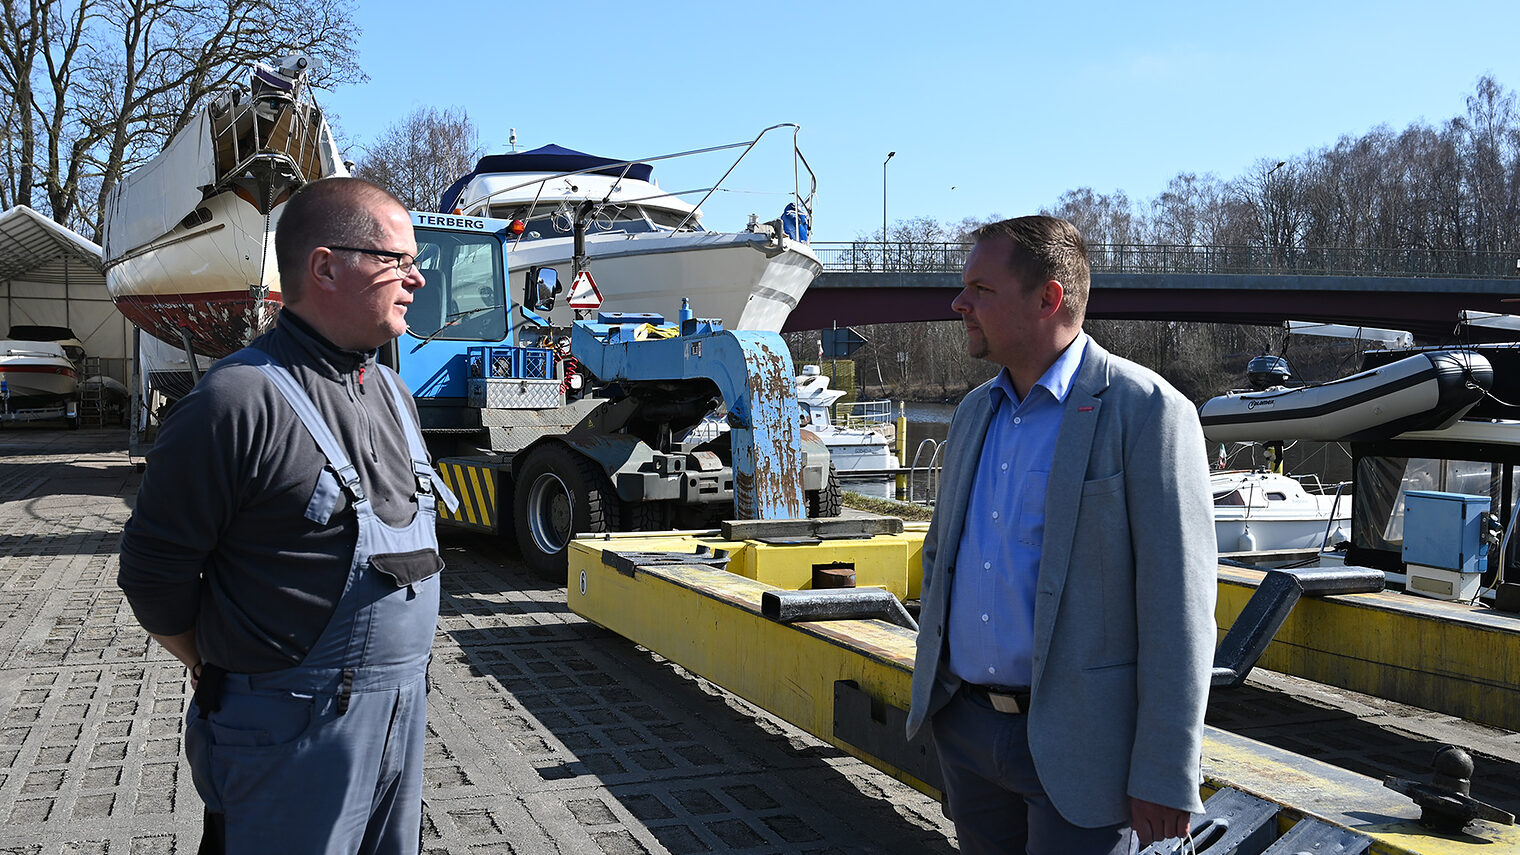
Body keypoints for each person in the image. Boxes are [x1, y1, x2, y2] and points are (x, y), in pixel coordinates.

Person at [119, 177, 456, 854]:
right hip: (287, 737)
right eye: (398, 259)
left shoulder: (392, 391)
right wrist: (212, 661)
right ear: (325, 266)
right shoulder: (235, 402)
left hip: (399, 721)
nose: (417, 279)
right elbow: (154, 579)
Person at [905, 215, 1217, 855]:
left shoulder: (1149, 412)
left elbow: (1179, 610)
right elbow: (944, 558)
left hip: (1083, 748)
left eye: (981, 290)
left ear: (1048, 297)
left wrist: (1165, 770)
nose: (959, 303)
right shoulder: (973, 414)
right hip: (965, 729)